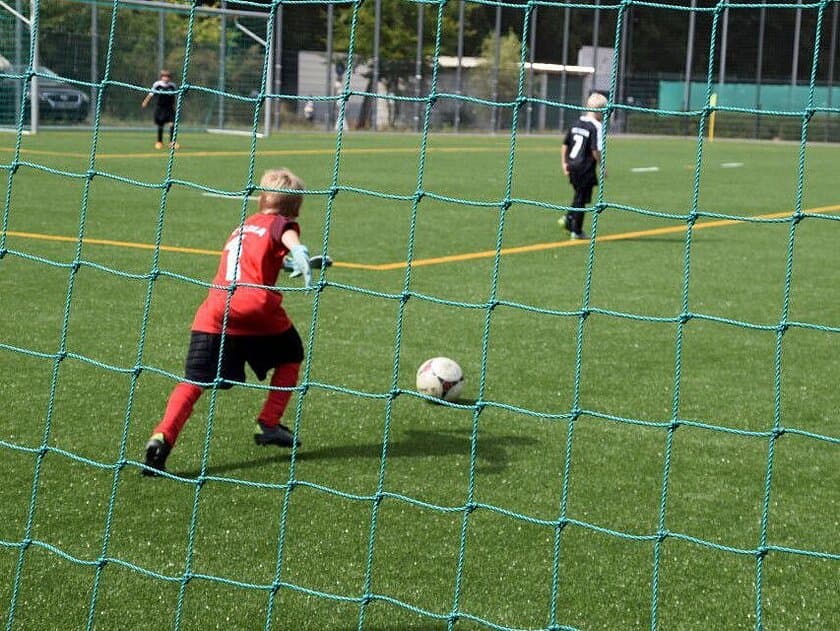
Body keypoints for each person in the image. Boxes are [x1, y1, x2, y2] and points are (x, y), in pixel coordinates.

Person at [142, 168, 314, 476]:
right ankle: (269, 423)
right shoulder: (283, 224)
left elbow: (257, 254)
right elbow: (283, 234)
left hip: (215, 309)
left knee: (194, 380)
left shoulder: (244, 226)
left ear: (262, 199)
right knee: (292, 354)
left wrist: (287, 261)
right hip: (254, 307)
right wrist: (298, 249)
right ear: (295, 207)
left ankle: (161, 438)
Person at [560, 92, 607, 240]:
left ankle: (568, 219)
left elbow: (565, 144)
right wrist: (602, 166)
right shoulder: (597, 127)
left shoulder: (577, 123)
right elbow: (595, 150)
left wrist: (564, 163)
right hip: (585, 168)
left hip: (572, 165)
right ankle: (576, 230)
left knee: (579, 195)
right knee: (581, 199)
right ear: (600, 111)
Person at [141, 69, 179, 150]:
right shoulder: (157, 85)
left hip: (170, 108)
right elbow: (151, 94)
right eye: (164, 76)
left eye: (168, 77)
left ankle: (172, 142)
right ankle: (159, 142)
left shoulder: (172, 86)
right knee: (160, 125)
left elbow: (174, 97)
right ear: (161, 77)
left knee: (172, 124)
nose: (166, 78)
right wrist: (145, 102)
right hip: (160, 108)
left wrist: (175, 106)